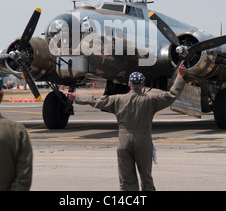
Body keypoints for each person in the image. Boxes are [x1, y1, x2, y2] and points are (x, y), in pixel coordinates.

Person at [68, 61, 186, 191]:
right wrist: (180, 76)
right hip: (143, 141)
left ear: (129, 84)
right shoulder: (151, 100)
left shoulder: (118, 100)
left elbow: (97, 100)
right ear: (143, 84)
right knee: (146, 178)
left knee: (126, 181)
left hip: (124, 142)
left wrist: (77, 97)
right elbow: (172, 95)